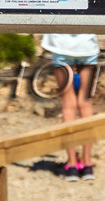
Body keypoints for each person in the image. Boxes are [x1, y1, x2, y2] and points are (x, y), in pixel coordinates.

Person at [41, 31, 100, 177]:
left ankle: (72, 164)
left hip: (61, 44)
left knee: (68, 105)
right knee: (86, 103)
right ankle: (87, 164)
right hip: (87, 44)